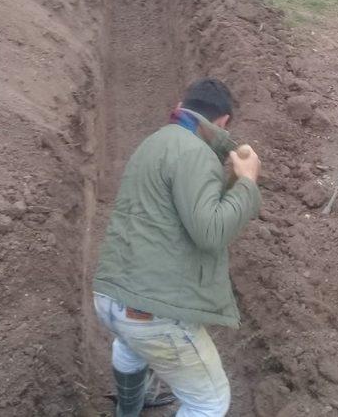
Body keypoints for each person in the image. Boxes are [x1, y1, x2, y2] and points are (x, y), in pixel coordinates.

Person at [93, 78, 262, 417]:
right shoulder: (194, 152)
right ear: (223, 122)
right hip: (150, 315)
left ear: (182, 103)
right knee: (210, 402)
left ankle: (128, 411)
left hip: (111, 299)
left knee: (129, 347)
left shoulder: (153, 143)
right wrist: (246, 183)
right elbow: (211, 231)